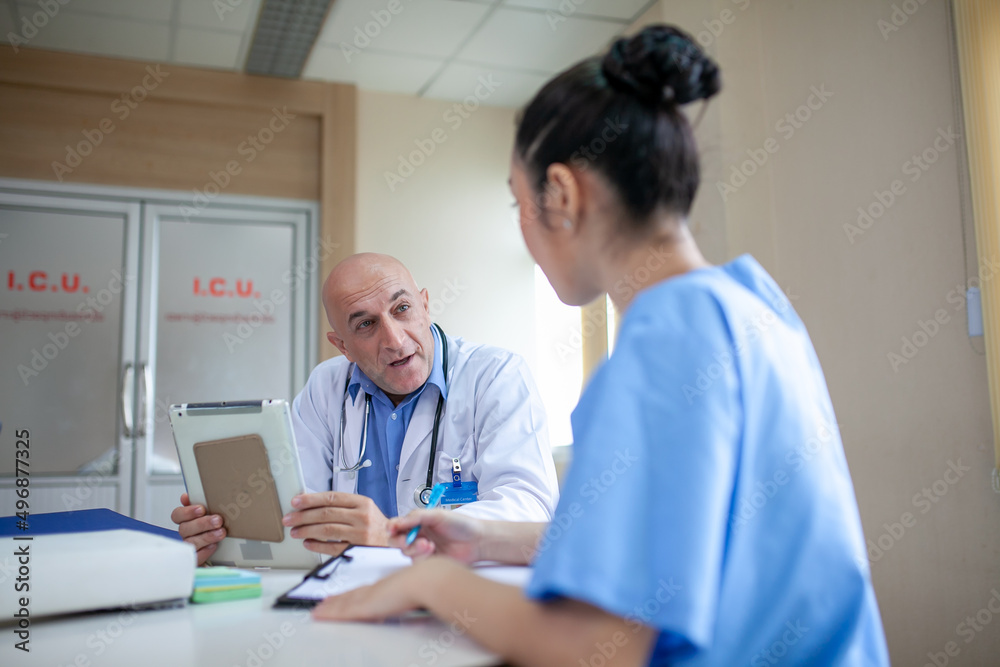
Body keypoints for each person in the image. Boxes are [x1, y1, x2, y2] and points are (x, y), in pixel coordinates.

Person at [311, 25, 890, 666]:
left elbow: (600, 649)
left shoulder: (665, 343)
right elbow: (683, 538)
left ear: (560, 195)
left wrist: (430, 581)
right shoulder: (750, 306)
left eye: (517, 204)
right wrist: (486, 538)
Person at [172, 253, 559, 565]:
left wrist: (396, 534)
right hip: (354, 592)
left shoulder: (496, 376)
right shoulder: (327, 387)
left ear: (425, 306)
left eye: (402, 309)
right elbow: (292, 510)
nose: (394, 339)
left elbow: (531, 509)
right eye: (366, 325)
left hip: (462, 596)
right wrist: (224, 535)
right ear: (342, 345)